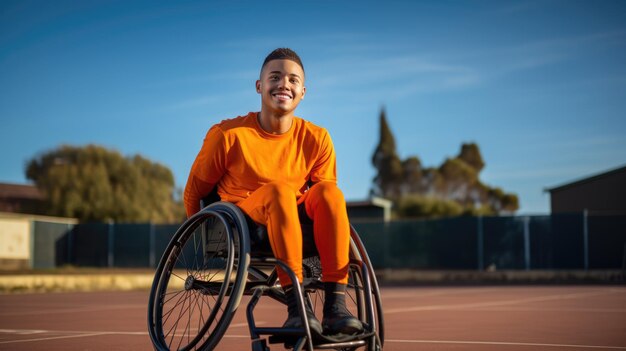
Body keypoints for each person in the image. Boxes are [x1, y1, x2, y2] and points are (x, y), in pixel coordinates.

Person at [183, 48, 363, 336]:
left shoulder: (317, 138)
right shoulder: (228, 135)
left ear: (303, 91)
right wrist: (201, 238)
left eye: (293, 80)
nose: (284, 85)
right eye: (275, 77)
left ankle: (335, 307)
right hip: (246, 220)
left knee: (331, 194)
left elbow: (323, 203)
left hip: (293, 217)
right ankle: (297, 307)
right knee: (278, 192)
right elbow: (194, 192)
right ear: (259, 86)